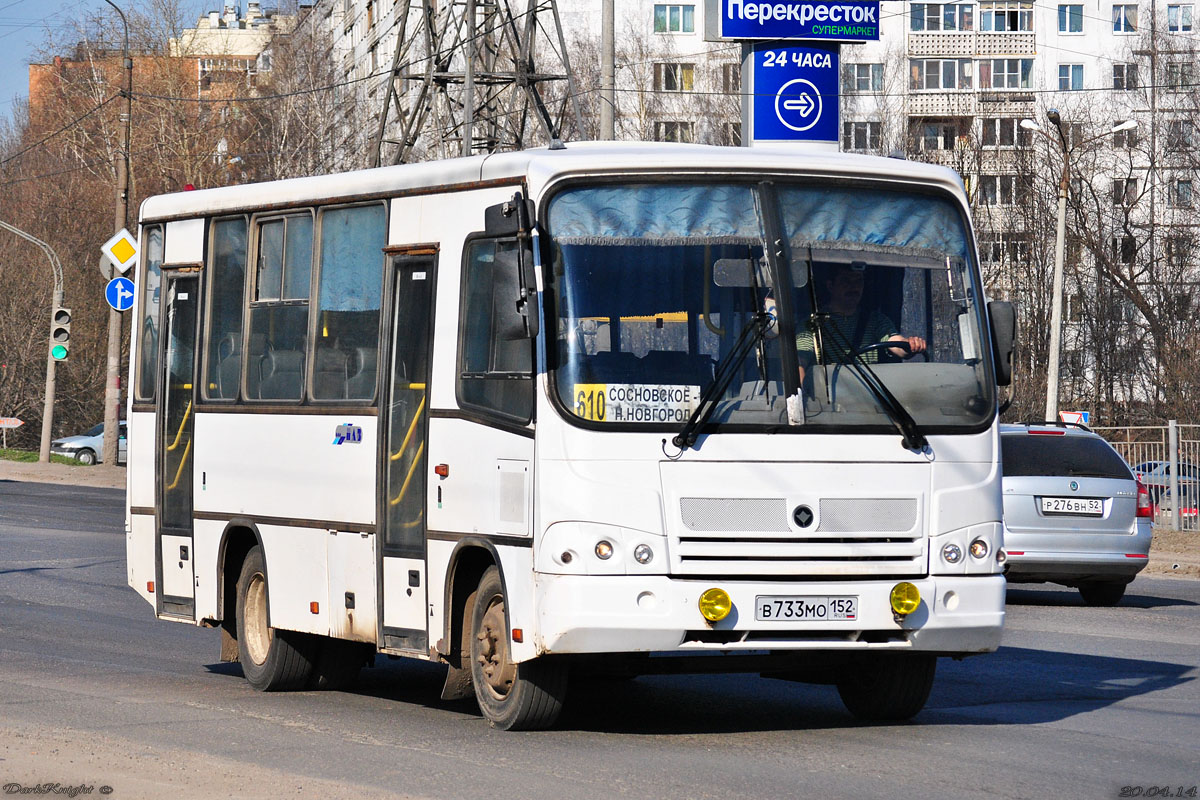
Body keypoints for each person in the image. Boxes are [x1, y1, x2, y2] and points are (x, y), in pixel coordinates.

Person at [795, 263, 926, 387]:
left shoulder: (875, 320)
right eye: (846, 281)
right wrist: (800, 398)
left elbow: (896, 344)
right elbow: (800, 360)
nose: (853, 287)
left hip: (869, 396)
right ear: (830, 286)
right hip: (831, 398)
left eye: (858, 281)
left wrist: (910, 345)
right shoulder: (812, 324)